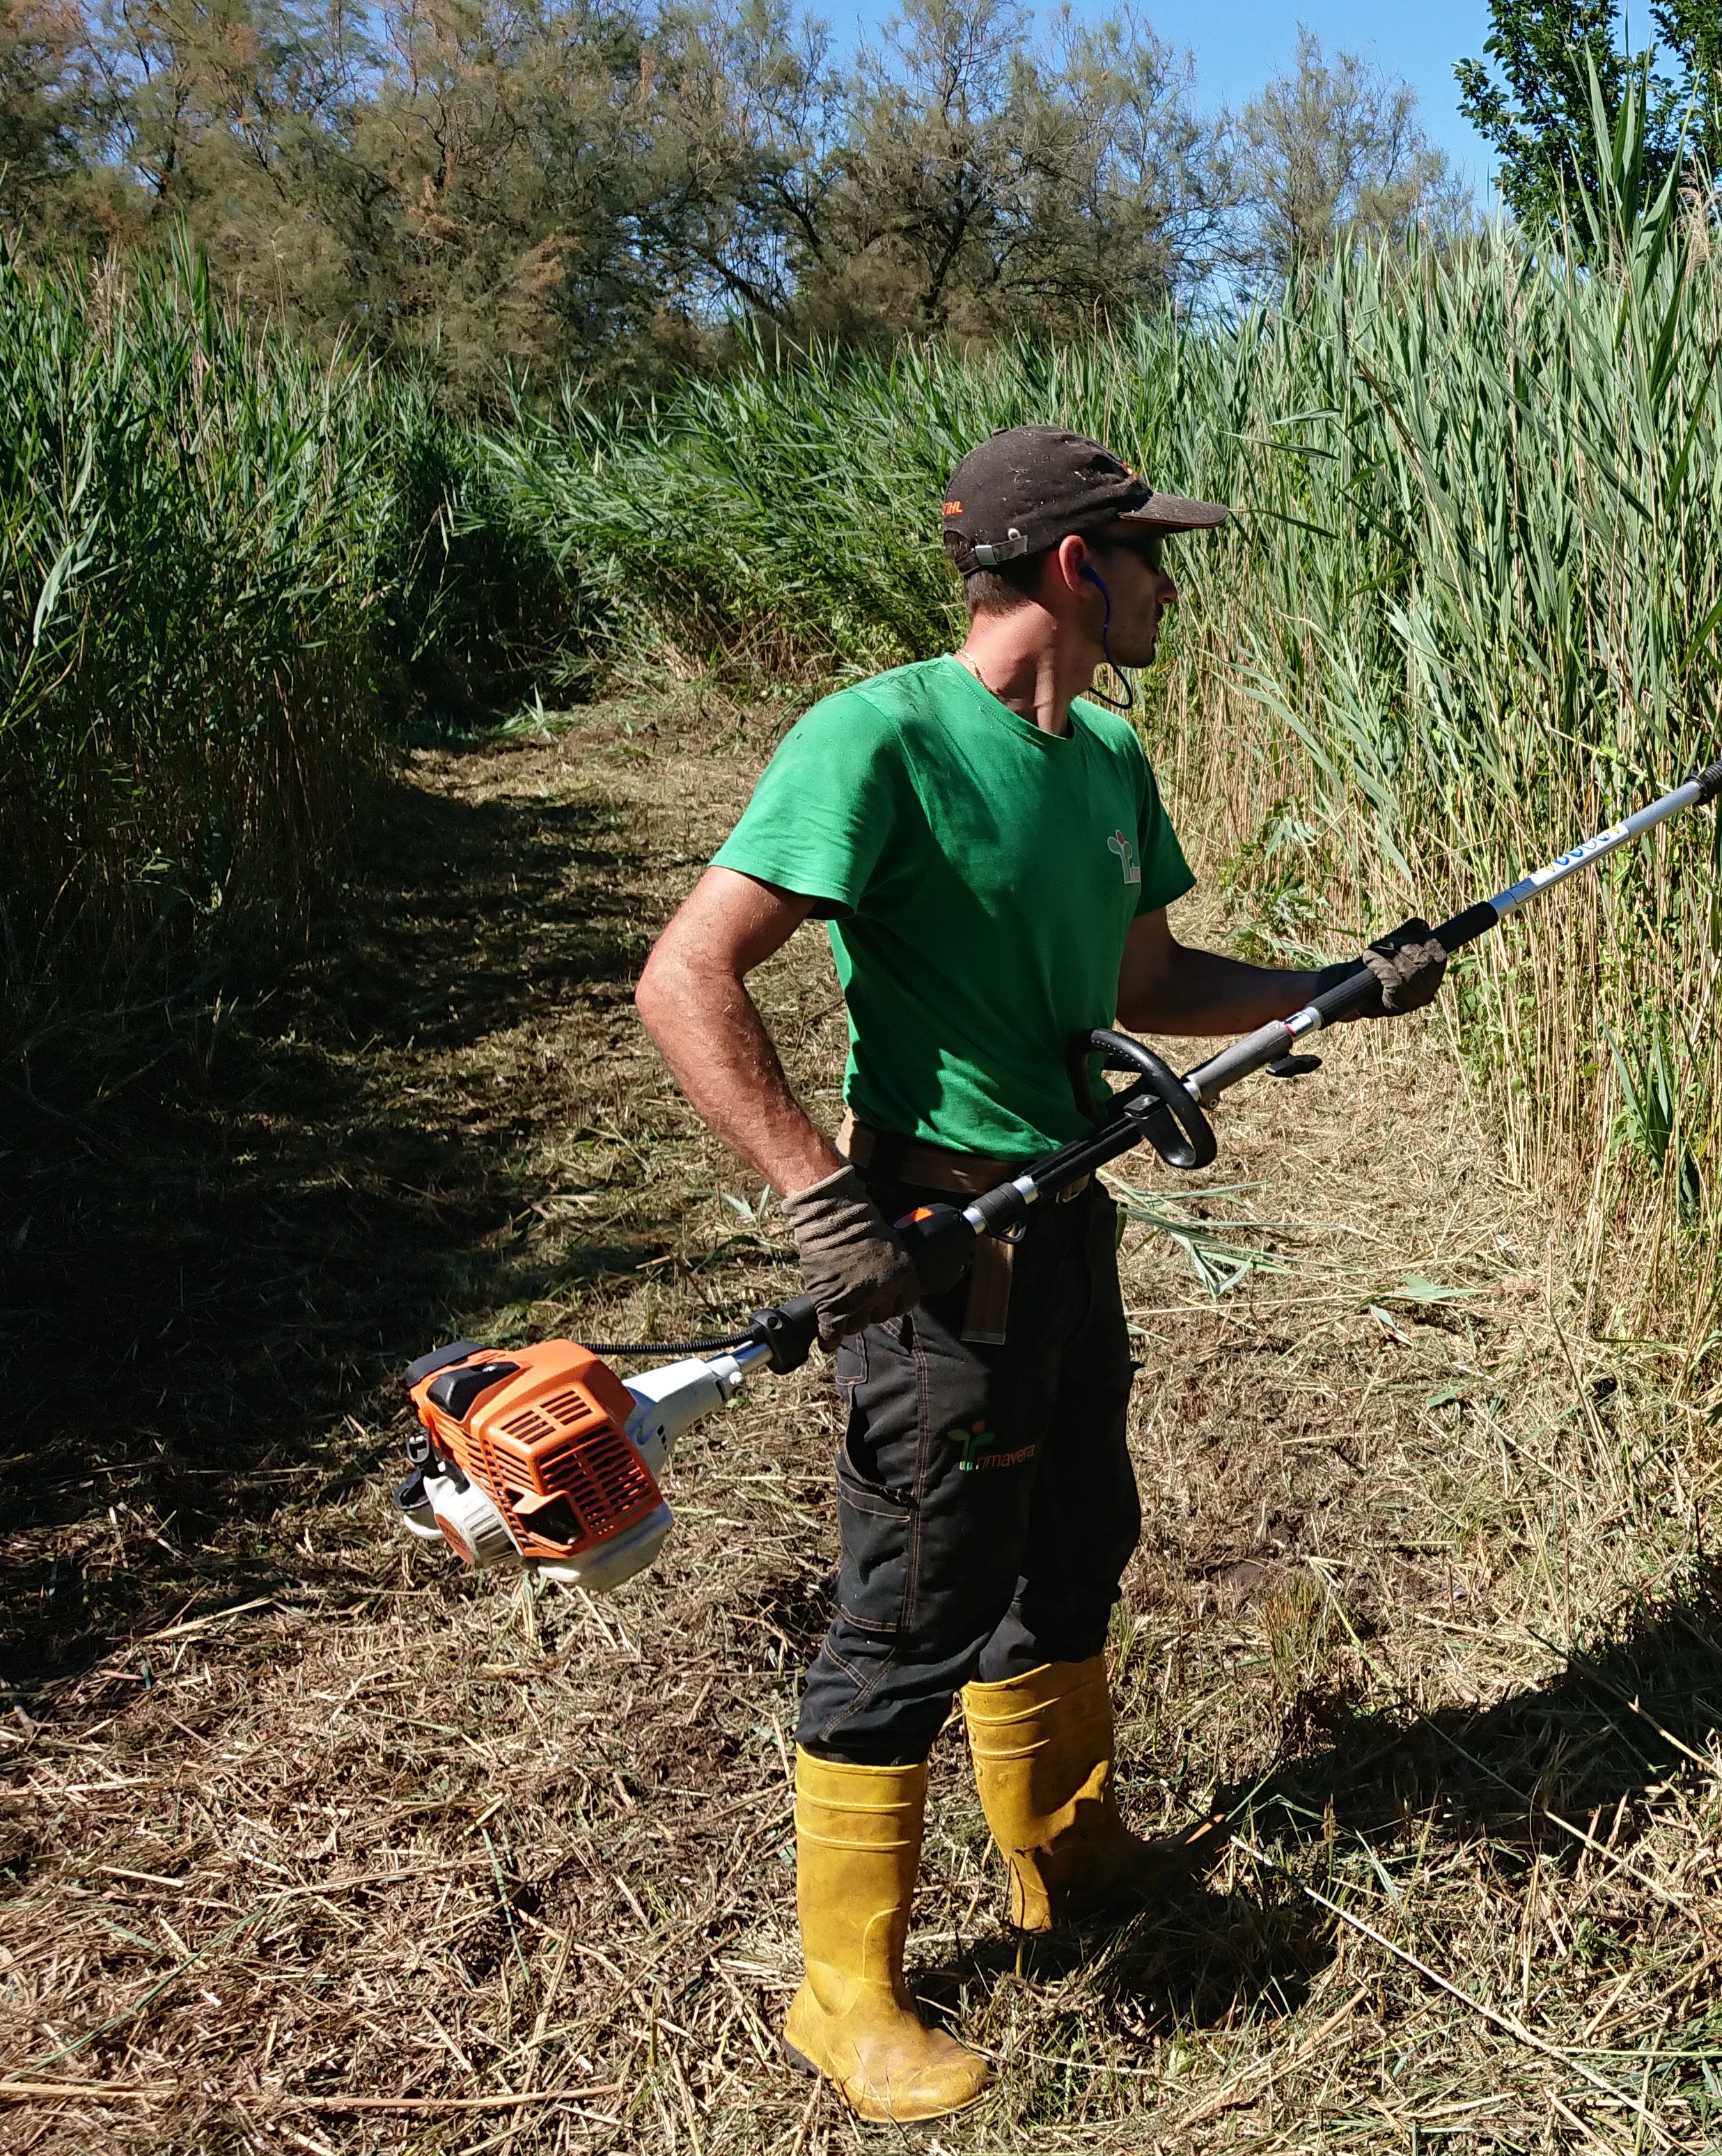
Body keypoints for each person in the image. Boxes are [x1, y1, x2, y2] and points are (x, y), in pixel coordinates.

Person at [634, 424, 1445, 2121]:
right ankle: (843, 1991)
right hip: (938, 1251)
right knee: (918, 1597)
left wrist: (1336, 983)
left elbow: (1151, 976)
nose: (1169, 582)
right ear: (1076, 565)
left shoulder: (1103, 760)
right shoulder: (880, 737)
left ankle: (1061, 1853)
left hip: (1073, 1220)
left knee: (1077, 1540)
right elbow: (686, 977)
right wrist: (819, 1200)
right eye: (1151, 554)